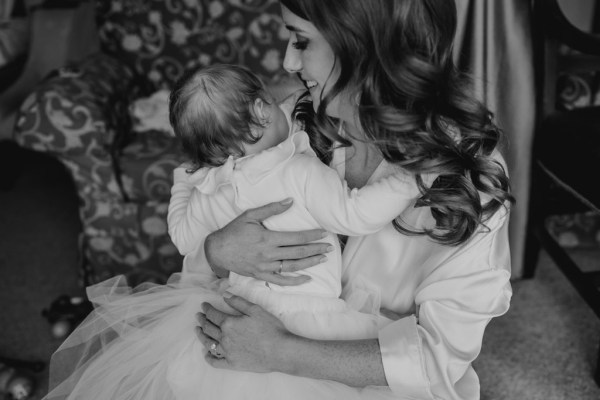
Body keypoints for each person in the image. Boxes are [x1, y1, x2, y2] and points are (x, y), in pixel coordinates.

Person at [41, 63, 429, 400]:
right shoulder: (299, 172)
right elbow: (356, 215)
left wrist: (184, 181)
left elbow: (181, 236)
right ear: (263, 109)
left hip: (236, 315)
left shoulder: (216, 188)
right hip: (307, 320)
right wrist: (410, 181)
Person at [194, 1, 514, 400]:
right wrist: (216, 250)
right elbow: (206, 224)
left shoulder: (467, 175)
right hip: (254, 357)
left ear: (363, 45)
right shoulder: (291, 123)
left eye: (301, 41)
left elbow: (436, 359)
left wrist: (278, 351)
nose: (288, 61)